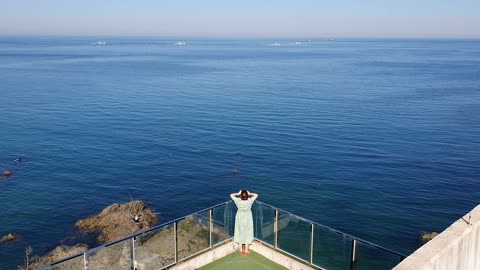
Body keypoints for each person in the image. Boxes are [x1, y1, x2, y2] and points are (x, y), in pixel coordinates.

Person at [230, 190, 259, 256]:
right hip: (248, 218)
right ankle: (246, 250)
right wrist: (250, 193)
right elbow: (256, 195)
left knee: (240, 231)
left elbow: (231, 195)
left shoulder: (238, 201)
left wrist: (238, 193)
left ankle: (240, 249)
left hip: (240, 217)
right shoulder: (250, 201)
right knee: (248, 232)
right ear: (247, 196)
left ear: (241, 196)